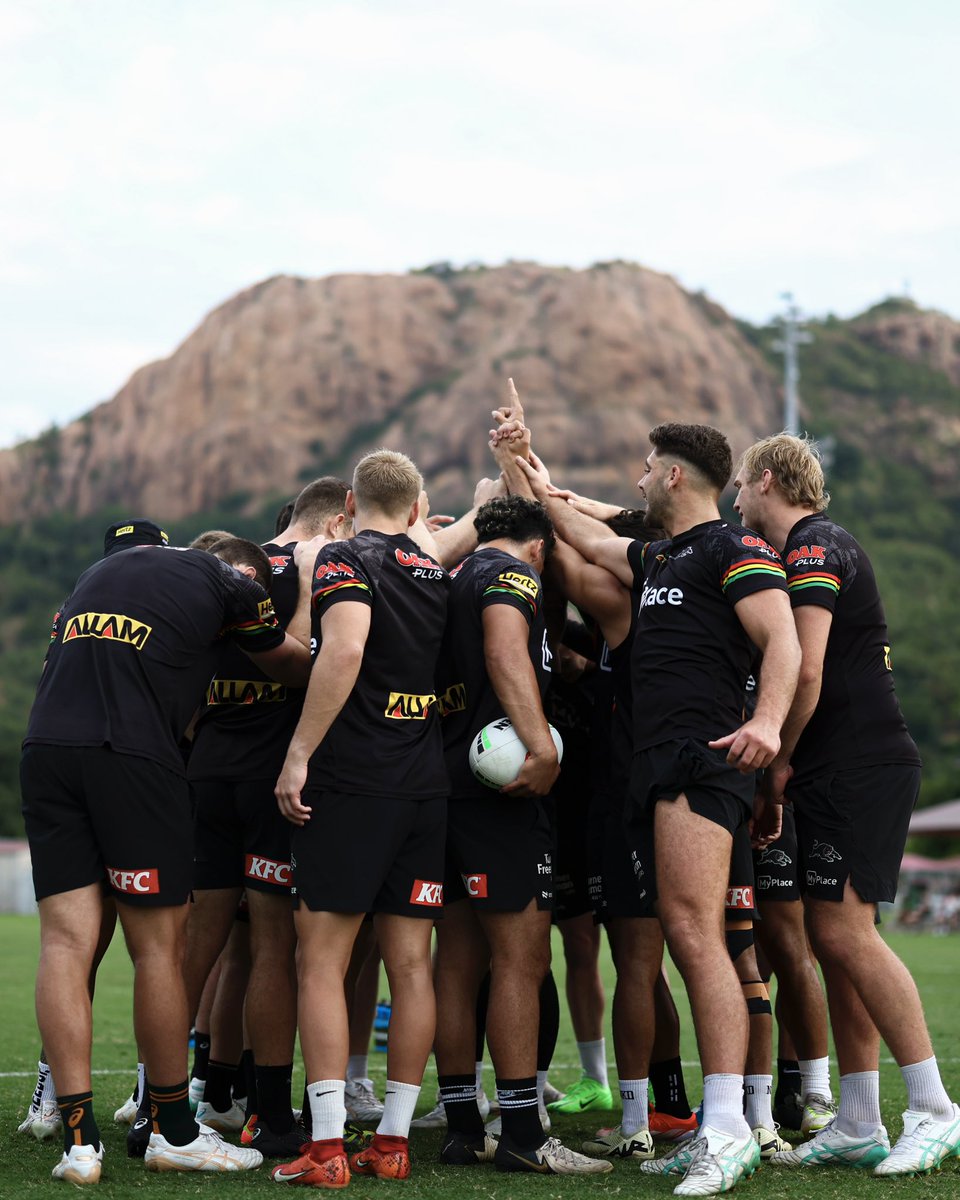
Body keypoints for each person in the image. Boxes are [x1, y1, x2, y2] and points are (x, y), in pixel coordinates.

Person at [516, 423, 801, 1196]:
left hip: (702, 760)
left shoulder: (732, 548)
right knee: (685, 935)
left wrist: (769, 724)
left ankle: (730, 1131)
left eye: (648, 467)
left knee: (694, 935)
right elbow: (585, 537)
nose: (639, 478)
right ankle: (720, 1125)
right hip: (656, 765)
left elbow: (785, 641)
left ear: (675, 477)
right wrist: (530, 474)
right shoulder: (660, 555)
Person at [20, 519, 312, 1184]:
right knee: (159, 946)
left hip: (45, 752)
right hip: (130, 756)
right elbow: (292, 664)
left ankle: (79, 1141)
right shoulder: (230, 582)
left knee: (65, 944)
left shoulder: (95, 580)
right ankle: (175, 1130)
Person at [733, 432, 960, 1175]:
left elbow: (804, 671)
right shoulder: (812, 545)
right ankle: (859, 1118)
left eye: (741, 486)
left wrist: (776, 763)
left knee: (849, 934)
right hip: (842, 767)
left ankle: (933, 1109)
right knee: (833, 938)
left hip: (860, 765)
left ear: (767, 480)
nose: (737, 500)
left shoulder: (813, 546)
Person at [271, 449, 450, 1188]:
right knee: (411, 965)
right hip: (425, 787)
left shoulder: (346, 559)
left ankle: (325, 1148)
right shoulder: (438, 570)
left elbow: (342, 650)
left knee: (321, 959)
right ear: (415, 508)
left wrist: (298, 753)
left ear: (349, 501)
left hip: (351, 783)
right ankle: (395, 1143)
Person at [432, 485, 611, 1178]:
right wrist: (541, 747)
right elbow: (508, 649)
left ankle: (459, 1128)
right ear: (540, 544)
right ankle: (523, 1137)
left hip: (445, 779)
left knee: (456, 963)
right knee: (520, 960)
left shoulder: (451, 575)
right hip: (500, 789)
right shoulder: (512, 571)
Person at [182, 480, 350, 1157]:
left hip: (206, 774)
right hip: (271, 783)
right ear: (338, 520)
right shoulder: (322, 569)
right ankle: (274, 1116)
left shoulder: (223, 563)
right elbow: (311, 668)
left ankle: (159, 1102)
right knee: (275, 948)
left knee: (196, 948)